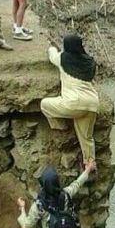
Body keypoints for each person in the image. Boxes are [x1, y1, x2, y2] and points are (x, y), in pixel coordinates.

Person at [16, 162, 96, 228]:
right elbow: (77, 184)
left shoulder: (39, 205)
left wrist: (22, 210)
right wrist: (88, 170)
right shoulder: (66, 195)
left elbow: (27, 226)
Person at [41, 33, 99, 168]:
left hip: (74, 103)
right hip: (92, 103)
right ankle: (90, 163)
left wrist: (52, 47)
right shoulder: (90, 61)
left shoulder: (63, 58)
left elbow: (52, 55)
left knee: (44, 104)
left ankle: (58, 126)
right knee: (86, 137)